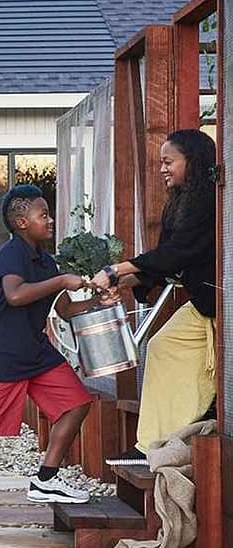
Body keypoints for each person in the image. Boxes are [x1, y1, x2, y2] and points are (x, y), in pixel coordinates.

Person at [0, 185, 114, 543]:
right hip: (2, 353)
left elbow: (64, 309)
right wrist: (62, 279)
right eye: (43, 215)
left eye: (49, 214)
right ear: (22, 222)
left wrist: (96, 303)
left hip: (36, 352)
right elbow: (15, 295)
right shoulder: (12, 253)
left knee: (76, 404)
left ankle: (47, 477)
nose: (50, 220)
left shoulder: (46, 261)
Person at [90, 129, 217, 466]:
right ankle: (152, 444)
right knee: (159, 347)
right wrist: (128, 280)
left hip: (220, 306)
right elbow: (166, 260)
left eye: (168, 161)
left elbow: (177, 254)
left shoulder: (209, 202)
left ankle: (196, 419)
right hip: (206, 304)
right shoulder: (181, 203)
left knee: (173, 352)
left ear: (192, 161)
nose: (163, 168)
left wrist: (116, 270)